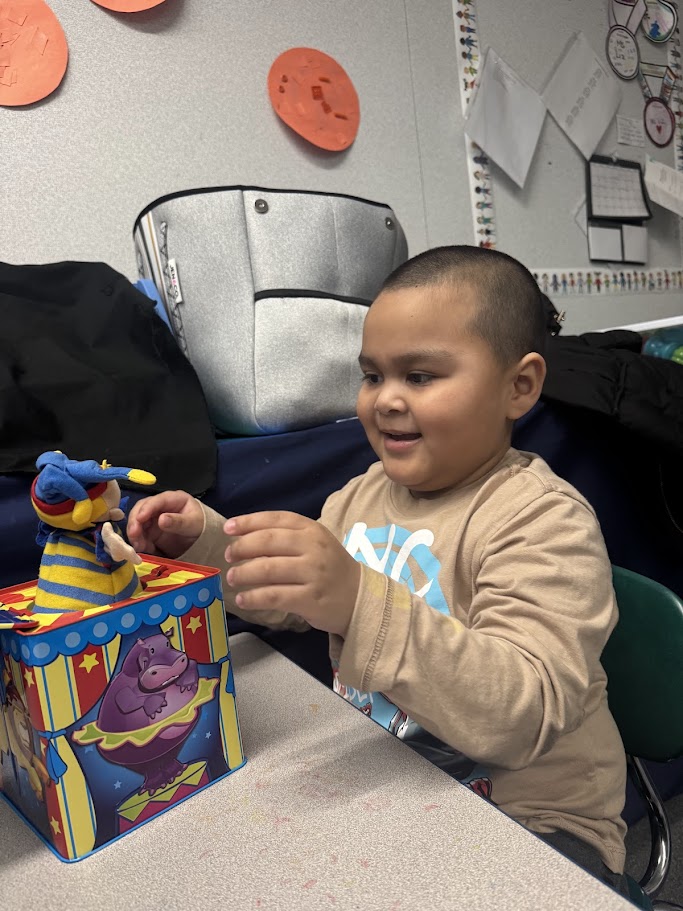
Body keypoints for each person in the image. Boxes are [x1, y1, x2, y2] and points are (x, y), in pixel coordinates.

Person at [128, 246, 628, 894]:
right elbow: (295, 597)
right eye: (372, 375)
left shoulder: (542, 520)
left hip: (533, 822)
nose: (386, 399)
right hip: (398, 778)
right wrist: (205, 542)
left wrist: (358, 600)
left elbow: (521, 716)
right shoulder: (363, 494)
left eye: (419, 376)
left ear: (519, 387)